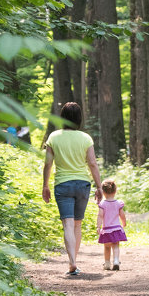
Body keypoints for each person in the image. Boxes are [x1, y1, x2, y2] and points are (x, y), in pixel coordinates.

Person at [42, 102, 103, 276]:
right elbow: (92, 163)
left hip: (63, 184)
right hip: (82, 184)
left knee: (67, 224)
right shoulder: (85, 138)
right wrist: (99, 187)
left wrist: (45, 185)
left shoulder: (54, 137)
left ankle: (72, 263)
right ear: (79, 118)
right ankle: (74, 262)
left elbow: (48, 164)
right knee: (77, 225)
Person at [96, 178, 128, 271]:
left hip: (106, 229)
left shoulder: (102, 204)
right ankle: (116, 261)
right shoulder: (118, 203)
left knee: (106, 247)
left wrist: (98, 226)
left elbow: (100, 216)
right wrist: (124, 222)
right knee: (116, 245)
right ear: (115, 191)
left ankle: (107, 263)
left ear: (103, 192)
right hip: (116, 229)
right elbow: (122, 215)